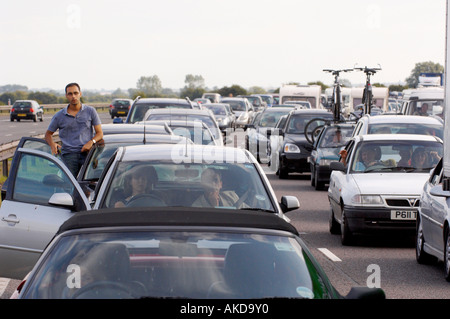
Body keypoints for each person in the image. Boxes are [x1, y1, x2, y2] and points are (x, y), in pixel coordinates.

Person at [45, 83, 103, 177]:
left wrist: (91, 142)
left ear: (80, 93)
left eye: (76, 93)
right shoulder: (59, 116)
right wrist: (52, 145)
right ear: (66, 96)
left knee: (92, 184)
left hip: (88, 154)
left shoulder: (90, 111)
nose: (73, 96)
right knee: (69, 186)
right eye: (70, 94)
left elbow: (100, 133)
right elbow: (48, 134)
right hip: (69, 155)